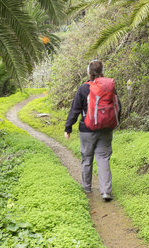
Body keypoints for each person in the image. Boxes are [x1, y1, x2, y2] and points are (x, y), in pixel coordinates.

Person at [64, 60, 120, 201]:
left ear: (88, 71)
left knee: (87, 158)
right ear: (103, 71)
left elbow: (75, 109)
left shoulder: (83, 89)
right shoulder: (110, 88)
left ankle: (87, 188)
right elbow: (118, 105)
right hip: (106, 129)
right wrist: (113, 123)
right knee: (103, 158)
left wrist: (68, 128)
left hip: (86, 129)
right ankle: (106, 192)